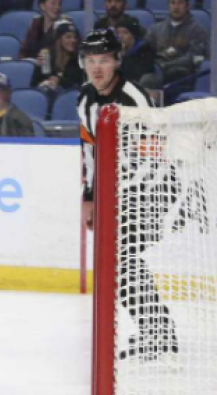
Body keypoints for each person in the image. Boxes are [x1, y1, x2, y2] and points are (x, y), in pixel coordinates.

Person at [76, 29, 176, 360]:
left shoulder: (133, 98)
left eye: (103, 60)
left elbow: (154, 154)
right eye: (91, 61)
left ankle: (158, 333)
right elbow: (89, 150)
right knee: (121, 263)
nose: (97, 68)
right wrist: (89, 197)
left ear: (117, 61)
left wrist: (131, 198)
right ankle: (158, 331)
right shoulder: (85, 99)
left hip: (149, 192)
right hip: (114, 195)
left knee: (121, 262)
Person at [140, 0, 208, 89]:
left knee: (176, 72)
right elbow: (145, 52)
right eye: (173, 2)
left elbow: (193, 58)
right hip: (157, 74)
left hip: (183, 76)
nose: (176, 6)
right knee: (146, 78)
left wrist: (163, 65)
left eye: (180, 3)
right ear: (168, 6)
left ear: (187, 6)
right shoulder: (156, 29)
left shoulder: (197, 30)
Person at [33, 21, 83, 96]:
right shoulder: (49, 57)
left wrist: (60, 81)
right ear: (59, 40)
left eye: (74, 37)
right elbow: (33, 85)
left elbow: (80, 86)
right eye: (68, 37)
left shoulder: (78, 60)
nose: (73, 40)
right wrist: (38, 67)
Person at [117, 17, 155, 85]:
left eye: (125, 33)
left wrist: (124, 57)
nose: (120, 36)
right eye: (118, 32)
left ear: (133, 36)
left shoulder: (145, 51)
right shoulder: (114, 50)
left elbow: (137, 75)